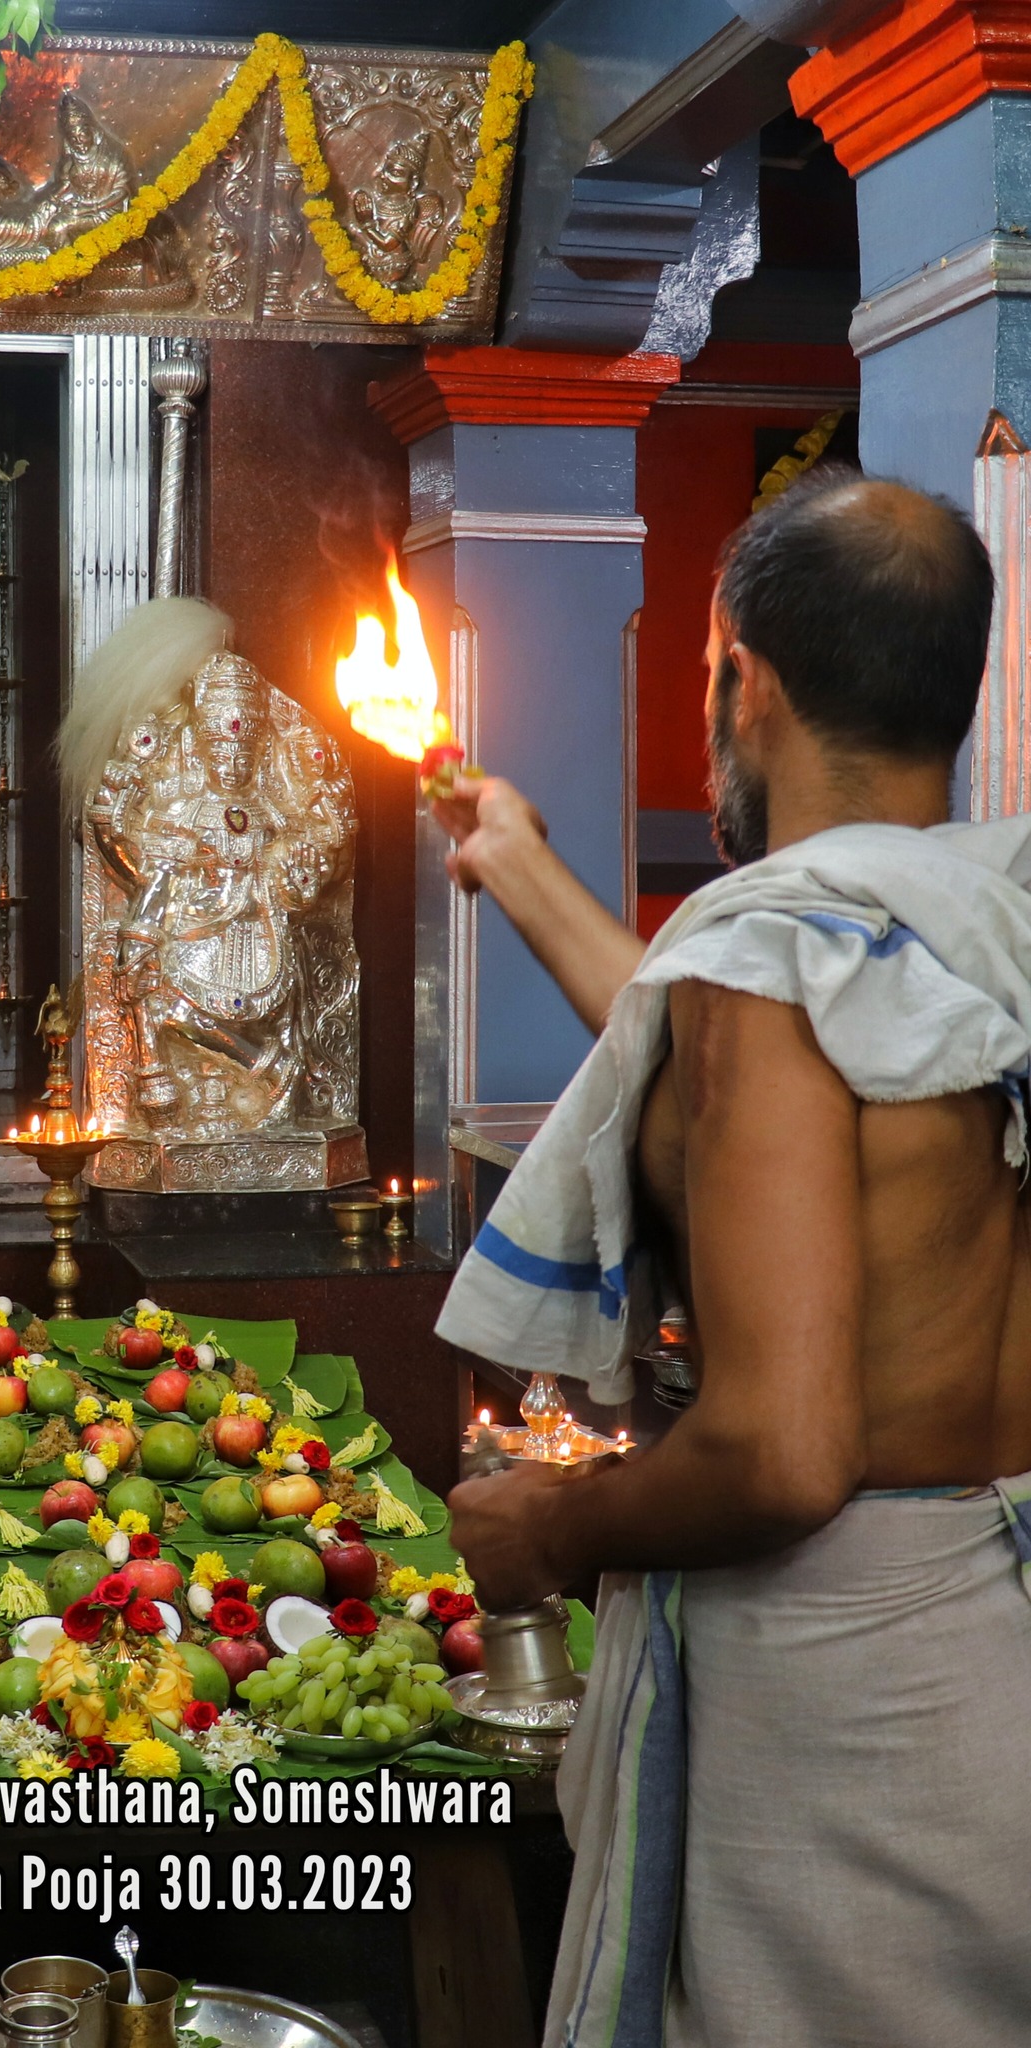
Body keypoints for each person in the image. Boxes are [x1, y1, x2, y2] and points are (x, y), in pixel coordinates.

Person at [430, 474, 1031, 2046]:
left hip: (848, 1707)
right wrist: (518, 861)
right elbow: (740, 1094)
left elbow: (784, 1452)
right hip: (993, 1644)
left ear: (742, 681)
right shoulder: (977, 926)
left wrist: (553, 1528)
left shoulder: (766, 973)